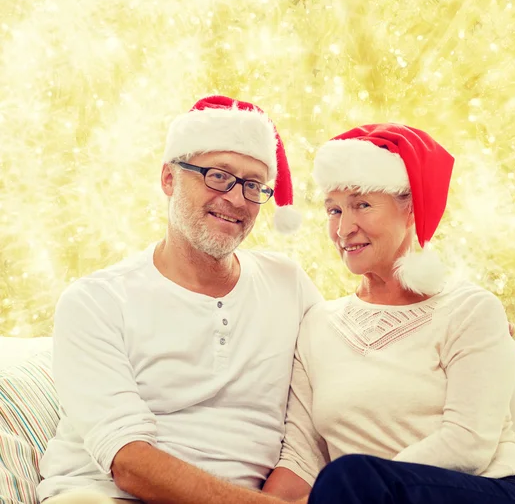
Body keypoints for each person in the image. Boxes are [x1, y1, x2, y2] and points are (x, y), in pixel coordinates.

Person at [38, 96, 323, 504]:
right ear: (169, 179)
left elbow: (310, 422)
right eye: (219, 176)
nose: (238, 199)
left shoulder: (288, 284)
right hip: (104, 495)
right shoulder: (95, 301)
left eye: (253, 184)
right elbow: (128, 463)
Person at [262, 123, 515, 504]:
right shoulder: (317, 325)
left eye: (362, 204)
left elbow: (468, 445)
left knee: (353, 477)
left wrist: (360, 490)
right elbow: (301, 460)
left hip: (491, 491)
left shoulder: (470, 309)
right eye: (334, 209)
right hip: (359, 494)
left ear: (411, 208)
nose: (344, 228)